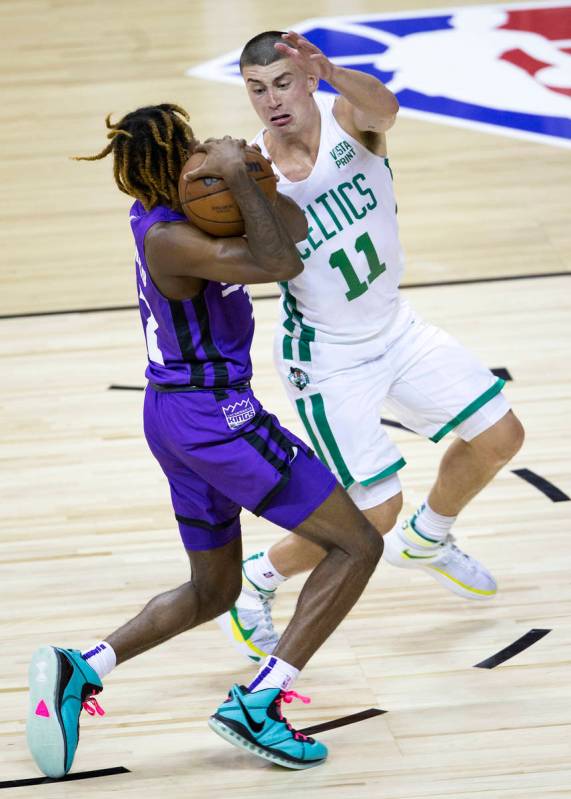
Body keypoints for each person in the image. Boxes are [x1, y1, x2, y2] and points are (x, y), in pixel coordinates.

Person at [26, 103, 384, 778]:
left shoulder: (179, 212)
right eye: (185, 146)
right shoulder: (169, 237)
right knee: (357, 543)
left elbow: (295, 232)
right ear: (170, 166)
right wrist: (238, 178)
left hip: (178, 416)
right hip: (214, 420)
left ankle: (81, 669)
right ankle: (259, 702)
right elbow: (279, 262)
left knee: (213, 588)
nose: (198, 150)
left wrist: (259, 179)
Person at [216, 31, 525, 663]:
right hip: (328, 356)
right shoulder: (252, 173)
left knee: (502, 436)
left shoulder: (349, 119)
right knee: (373, 511)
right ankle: (258, 579)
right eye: (256, 89)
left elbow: (386, 110)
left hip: (397, 328)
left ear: (305, 80)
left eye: (282, 82)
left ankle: (431, 537)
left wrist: (331, 68)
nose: (271, 100)